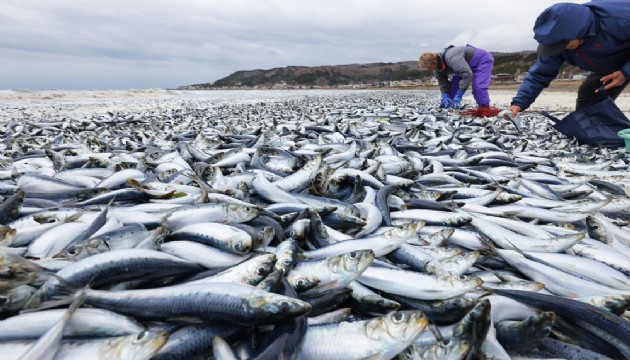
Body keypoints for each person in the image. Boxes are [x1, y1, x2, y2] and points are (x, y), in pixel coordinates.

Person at [509, 1, 630, 117]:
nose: (558, 49)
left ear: (579, 34)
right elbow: (539, 74)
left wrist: (625, 72)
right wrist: (518, 103)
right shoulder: (555, 41)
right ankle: (599, 133)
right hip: (610, 62)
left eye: (563, 45)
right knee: (590, 96)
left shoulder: (620, 21)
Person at [418, 45, 494, 110]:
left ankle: (485, 109)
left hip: (481, 60)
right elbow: (442, 82)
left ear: (434, 61)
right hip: (461, 68)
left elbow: (467, 74)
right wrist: (445, 95)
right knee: (451, 93)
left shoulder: (451, 58)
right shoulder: (437, 68)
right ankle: (447, 108)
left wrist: (459, 95)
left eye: (429, 67)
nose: (430, 70)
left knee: (478, 87)